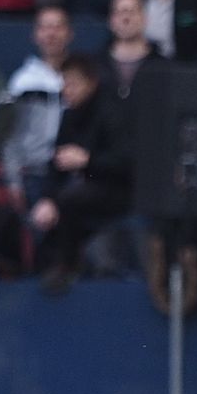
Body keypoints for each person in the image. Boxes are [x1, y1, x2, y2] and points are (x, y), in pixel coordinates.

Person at [29, 52, 132, 290]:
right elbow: (55, 164)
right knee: (43, 199)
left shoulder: (112, 113)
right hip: (79, 187)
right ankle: (35, 267)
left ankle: (66, 266)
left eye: (73, 83)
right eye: (64, 83)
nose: (68, 90)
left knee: (70, 199)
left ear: (91, 82)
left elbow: (126, 163)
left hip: (115, 189)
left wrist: (88, 161)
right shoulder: (69, 116)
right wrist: (46, 199)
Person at [0, 6, 73, 206]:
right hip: (35, 175)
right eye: (45, 27)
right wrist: (13, 181)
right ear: (35, 35)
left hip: (73, 174)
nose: (52, 33)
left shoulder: (82, 78)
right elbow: (11, 134)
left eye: (58, 27)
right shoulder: (23, 82)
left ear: (70, 33)